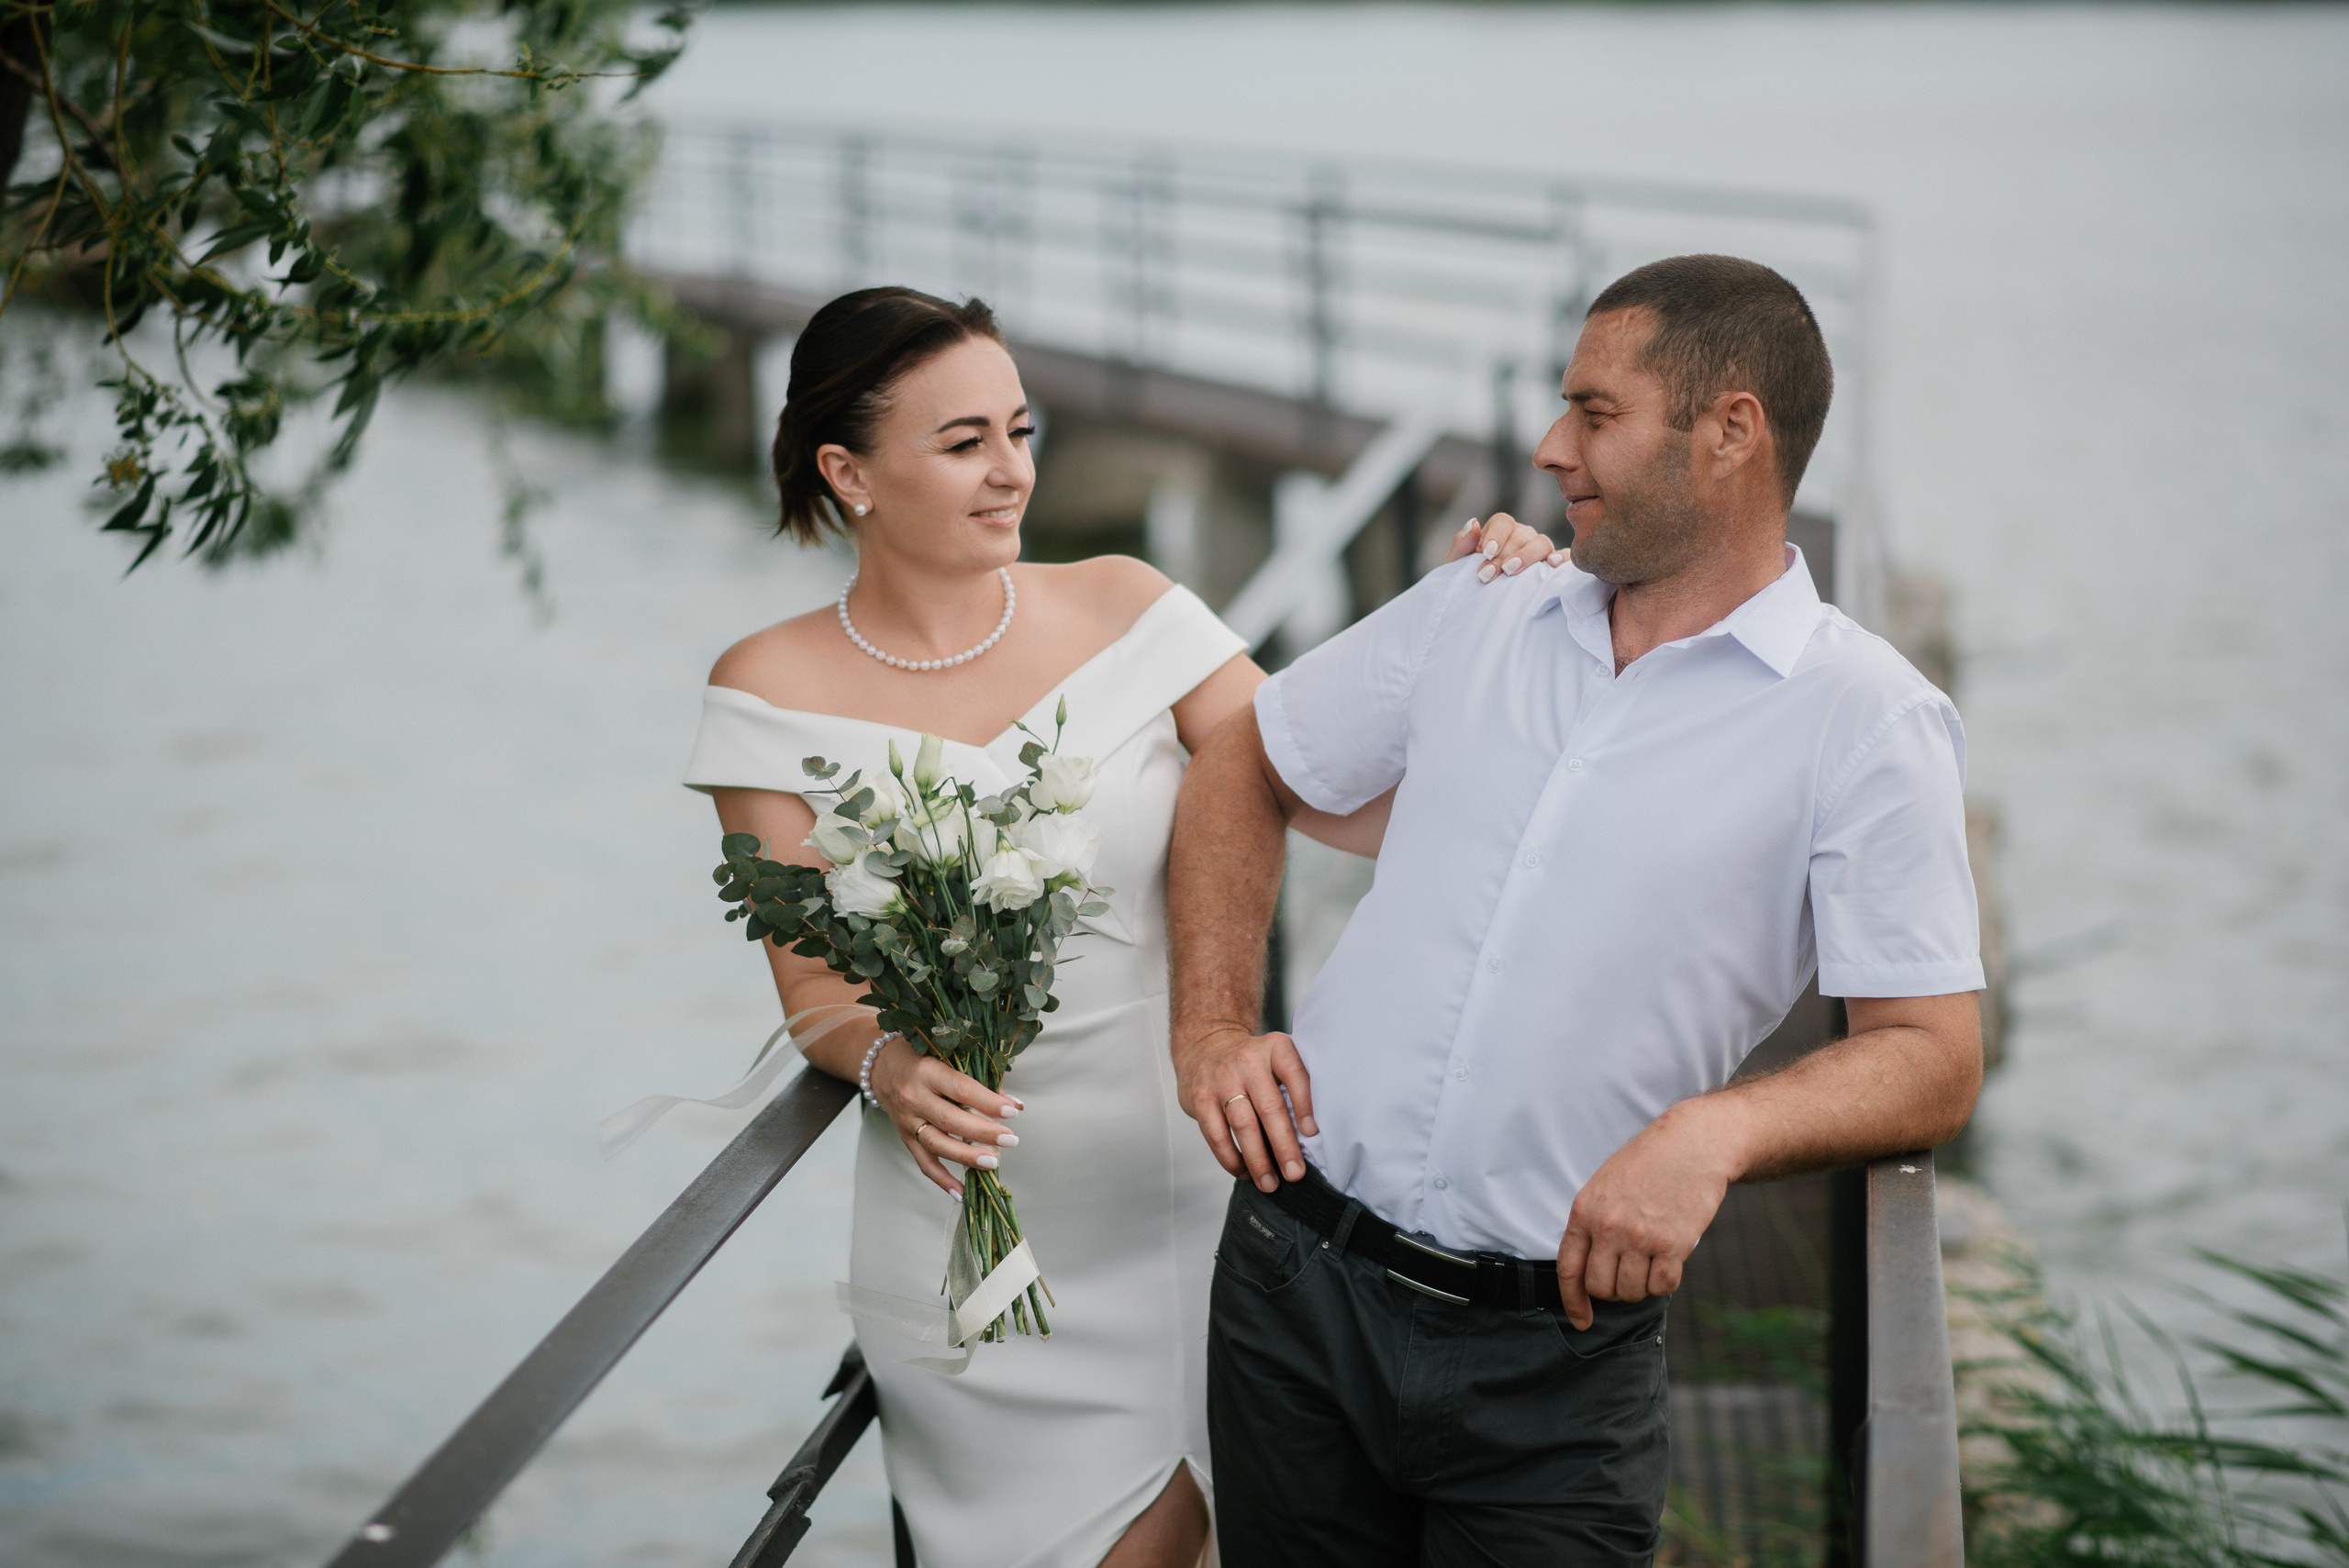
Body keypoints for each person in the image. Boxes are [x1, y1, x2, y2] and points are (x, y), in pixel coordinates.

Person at [679, 285, 1558, 1568]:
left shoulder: (1130, 609)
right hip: (977, 1246)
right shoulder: (764, 690)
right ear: (846, 470)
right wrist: (896, 1065)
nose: (1013, 472)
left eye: (1021, 431)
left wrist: (1484, 621)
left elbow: (1347, 798)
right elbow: (811, 986)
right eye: (964, 441)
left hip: (1195, 1216)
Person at [1166, 253, 1987, 1566]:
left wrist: (1711, 1135)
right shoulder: (1484, 604)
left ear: (1732, 433)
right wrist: (1211, 1026)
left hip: (1553, 1366)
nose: (1552, 448)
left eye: (1596, 413)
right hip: (1291, 1290)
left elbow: (1932, 1053)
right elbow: (1240, 762)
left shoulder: (1870, 721)